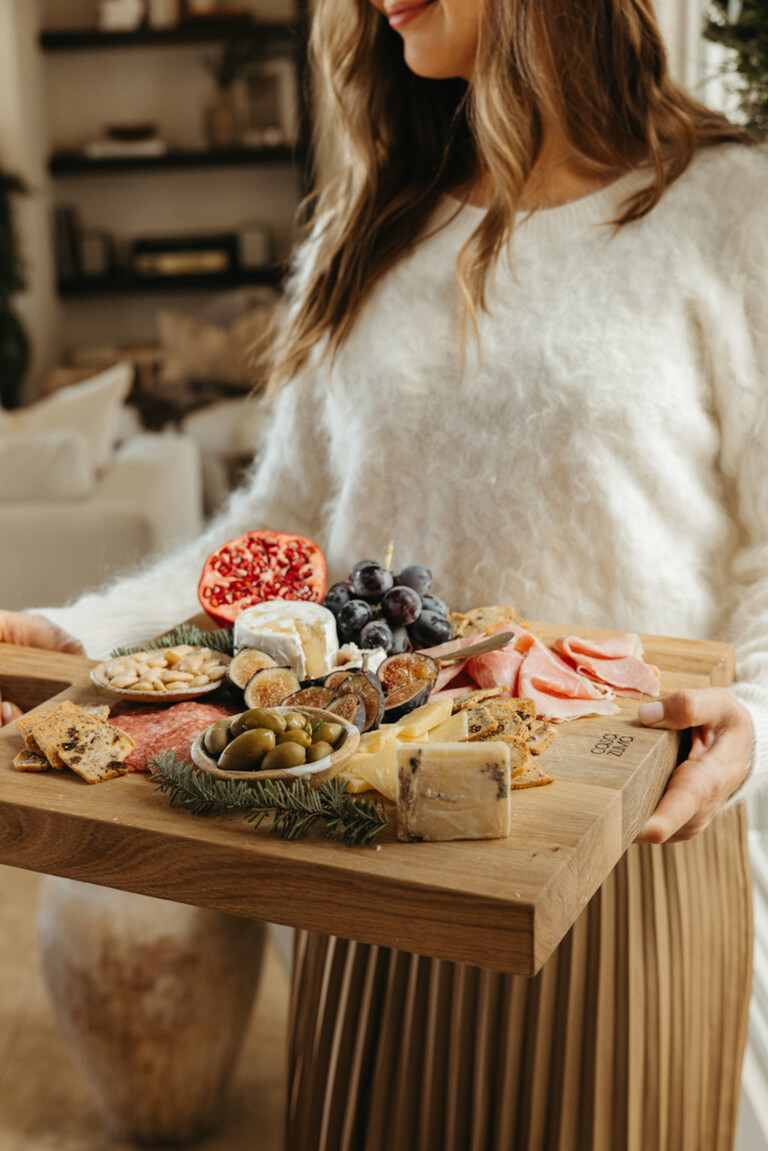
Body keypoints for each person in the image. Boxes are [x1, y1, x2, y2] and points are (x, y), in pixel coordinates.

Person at [1, 0, 766, 1146]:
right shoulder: (373, 225)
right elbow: (285, 528)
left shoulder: (731, 208)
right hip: (376, 856)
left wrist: (754, 708)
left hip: (632, 855)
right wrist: (97, 626)